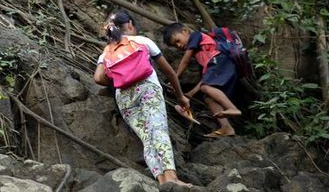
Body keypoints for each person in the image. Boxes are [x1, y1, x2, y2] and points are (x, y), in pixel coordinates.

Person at [94, 10, 192, 188]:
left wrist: (121, 77)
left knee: (147, 139)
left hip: (124, 97)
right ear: (130, 24)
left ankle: (162, 181)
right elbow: (169, 72)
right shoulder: (142, 41)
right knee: (158, 130)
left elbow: (99, 78)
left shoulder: (106, 52)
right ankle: (172, 178)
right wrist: (181, 97)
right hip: (147, 89)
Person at [163, 22, 240, 138]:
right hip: (221, 66)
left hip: (220, 60)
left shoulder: (196, 36)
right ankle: (227, 128)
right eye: (175, 45)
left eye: (177, 40)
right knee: (209, 99)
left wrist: (175, 77)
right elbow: (205, 78)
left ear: (185, 31)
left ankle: (232, 108)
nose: (178, 46)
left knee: (205, 87)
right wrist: (190, 94)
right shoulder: (202, 55)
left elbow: (186, 60)